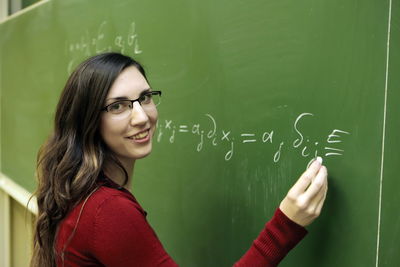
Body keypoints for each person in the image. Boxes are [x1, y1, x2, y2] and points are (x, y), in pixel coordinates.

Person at [30, 52, 328, 267]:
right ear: (88, 120)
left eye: (145, 97)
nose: (142, 116)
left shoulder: (83, 194)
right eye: (118, 106)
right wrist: (285, 225)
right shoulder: (106, 211)